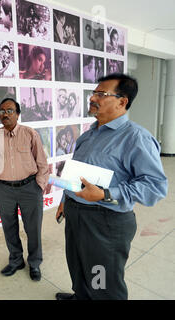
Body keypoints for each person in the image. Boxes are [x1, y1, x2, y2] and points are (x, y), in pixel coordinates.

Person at [55, 73, 168, 300]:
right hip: (77, 214)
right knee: (78, 265)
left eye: (101, 94)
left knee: (102, 280)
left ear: (122, 101)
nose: (92, 98)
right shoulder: (87, 136)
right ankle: (81, 297)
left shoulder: (136, 138)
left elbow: (155, 186)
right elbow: (77, 173)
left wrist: (105, 194)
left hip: (105, 221)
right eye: (93, 93)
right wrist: (65, 201)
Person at [0, 98, 49, 281]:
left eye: (10, 110)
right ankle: (16, 260)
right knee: (9, 228)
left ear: (18, 114)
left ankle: (34, 263)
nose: (5, 114)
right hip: (4, 189)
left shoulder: (29, 133)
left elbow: (42, 163)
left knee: (33, 229)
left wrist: (39, 187)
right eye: (2, 111)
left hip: (29, 188)